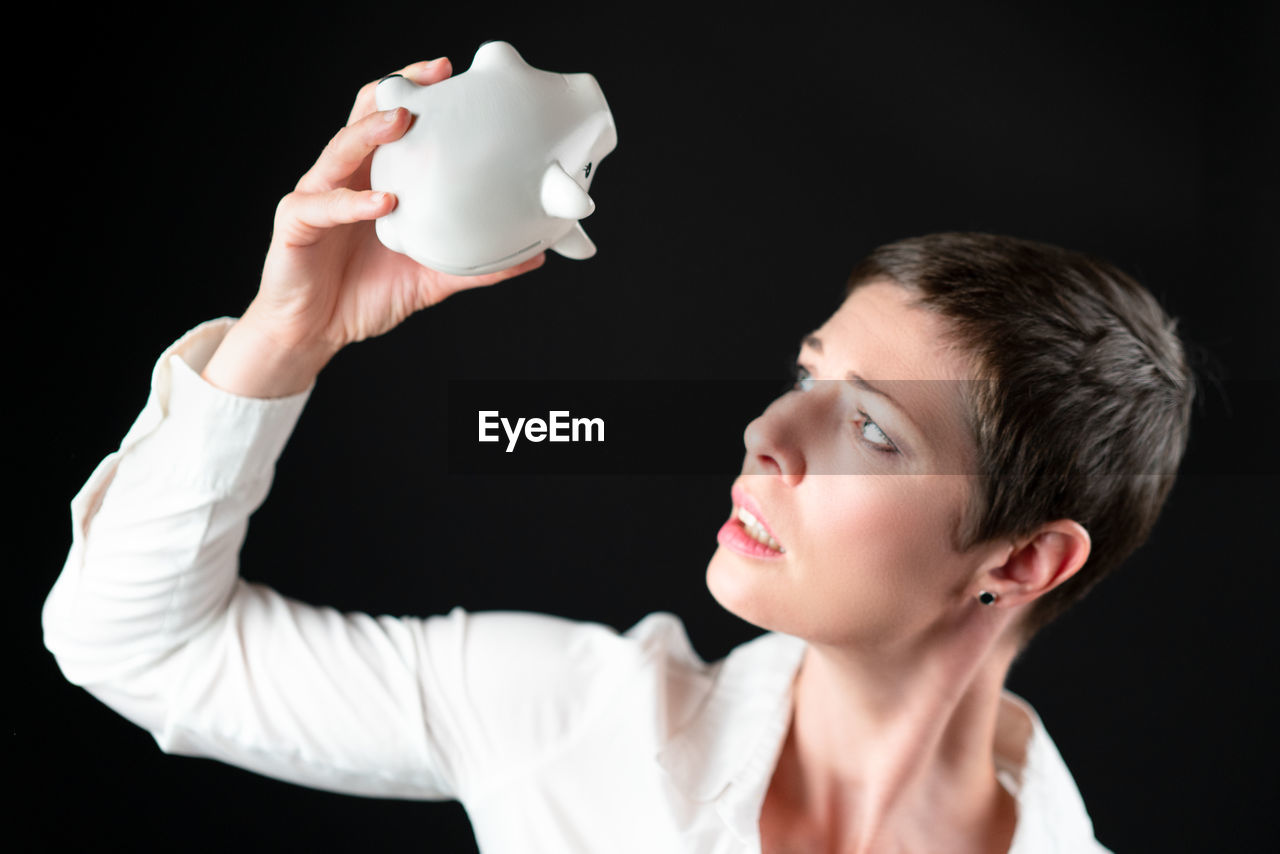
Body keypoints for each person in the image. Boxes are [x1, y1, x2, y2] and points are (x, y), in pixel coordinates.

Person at [44, 57, 1193, 853]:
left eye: (871, 427)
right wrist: (285, 334)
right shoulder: (571, 719)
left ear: (1028, 558)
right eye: (806, 378)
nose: (764, 436)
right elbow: (135, 642)